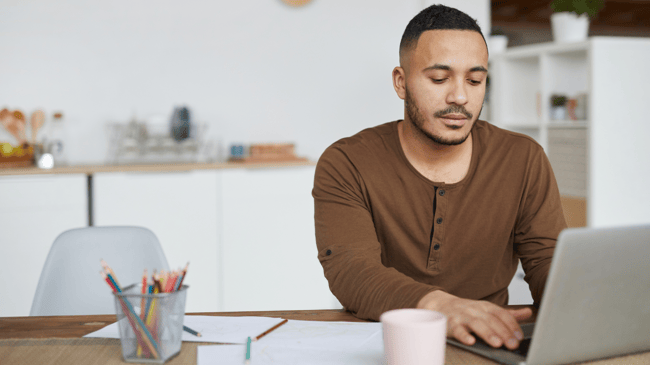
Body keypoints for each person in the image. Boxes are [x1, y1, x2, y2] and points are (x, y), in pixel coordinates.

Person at [312, 4, 567, 351]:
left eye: (475, 80)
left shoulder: (523, 158)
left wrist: (579, 308)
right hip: (386, 340)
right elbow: (352, 270)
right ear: (401, 83)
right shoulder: (346, 162)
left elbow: (546, 260)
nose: (460, 97)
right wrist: (442, 306)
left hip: (491, 342)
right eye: (439, 78)